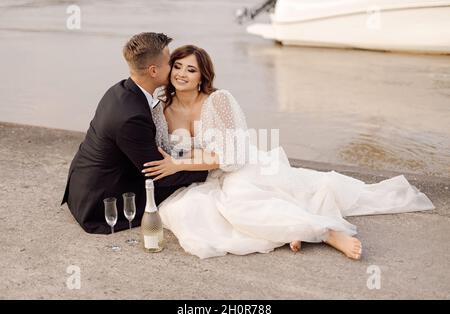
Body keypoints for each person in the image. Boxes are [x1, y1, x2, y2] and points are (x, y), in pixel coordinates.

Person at [142, 45, 435, 260]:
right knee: (181, 212)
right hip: (207, 177)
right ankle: (291, 232)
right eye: (177, 66)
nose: (182, 73)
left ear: (202, 76)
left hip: (242, 166)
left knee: (241, 204)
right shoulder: (161, 106)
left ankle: (328, 233)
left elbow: (231, 157)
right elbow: (159, 145)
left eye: (190, 69)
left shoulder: (218, 101)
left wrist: (178, 164)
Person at [61, 34, 208, 234]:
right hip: (100, 203)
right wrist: (206, 171)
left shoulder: (120, 89)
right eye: (170, 62)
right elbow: (158, 174)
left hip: (82, 186)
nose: (174, 68)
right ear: (154, 70)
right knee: (201, 195)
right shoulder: (132, 117)